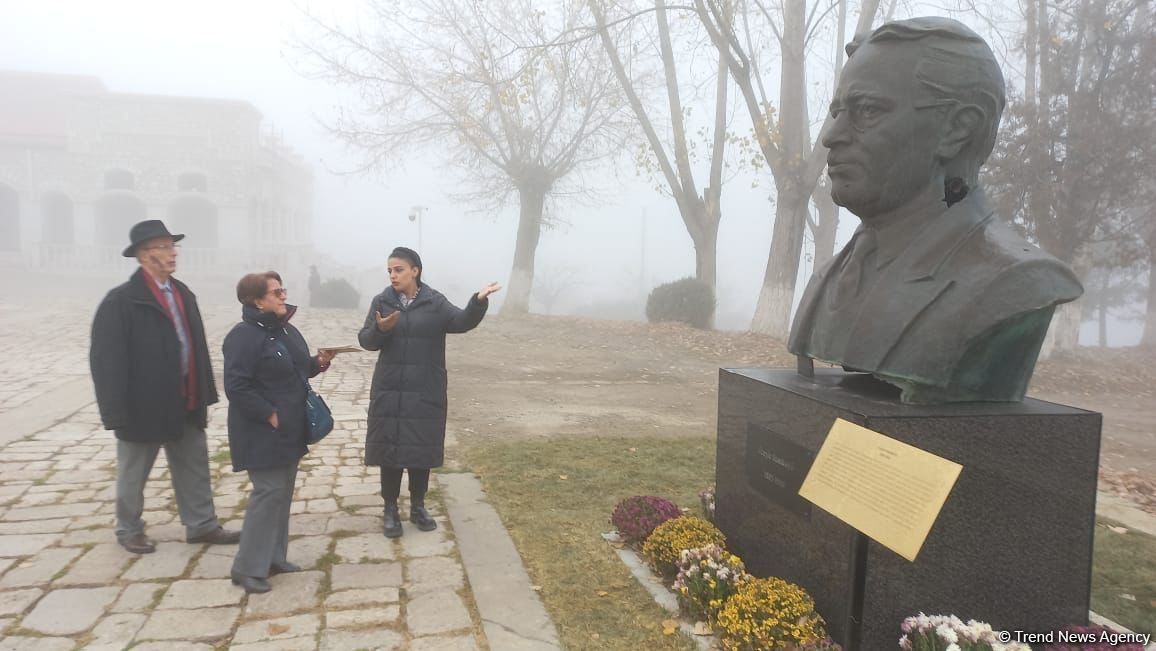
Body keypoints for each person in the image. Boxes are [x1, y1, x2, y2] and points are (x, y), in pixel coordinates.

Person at [788, 17, 1082, 404]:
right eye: (837, 111)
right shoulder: (831, 277)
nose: (832, 135)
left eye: (867, 110)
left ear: (957, 129)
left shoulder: (1014, 283)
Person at [90, 219, 241, 554]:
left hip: (186, 398)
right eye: (164, 247)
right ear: (144, 255)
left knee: (194, 465)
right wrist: (114, 412)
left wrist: (204, 392)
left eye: (173, 246)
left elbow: (196, 345)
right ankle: (129, 528)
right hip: (142, 405)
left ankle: (201, 524)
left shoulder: (182, 292)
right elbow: (106, 362)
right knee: (134, 471)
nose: (173, 253)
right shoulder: (122, 301)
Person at [358, 247, 500, 538]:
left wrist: (477, 302)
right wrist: (381, 329)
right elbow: (366, 341)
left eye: (398, 269)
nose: (393, 275)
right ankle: (390, 510)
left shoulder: (434, 302)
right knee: (390, 450)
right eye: (390, 270)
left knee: (420, 450)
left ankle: (419, 506)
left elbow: (461, 322)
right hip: (391, 389)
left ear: (415, 271)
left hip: (425, 388)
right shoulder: (382, 301)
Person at [222, 271, 335, 593]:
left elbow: (300, 368)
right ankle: (246, 568)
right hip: (261, 431)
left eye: (283, 290)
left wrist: (321, 361)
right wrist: (267, 413)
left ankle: (273, 558)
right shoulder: (242, 336)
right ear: (257, 301)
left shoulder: (285, 330)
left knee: (281, 494)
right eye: (276, 292)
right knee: (267, 493)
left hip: (290, 428)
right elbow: (236, 385)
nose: (283, 296)